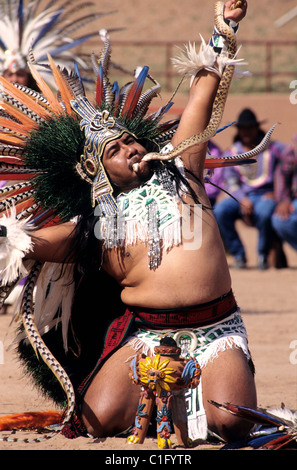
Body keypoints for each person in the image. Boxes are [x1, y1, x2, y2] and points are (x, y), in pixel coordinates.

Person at [0, 1, 257, 445]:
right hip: (147, 336)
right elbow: (25, 241)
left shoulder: (184, 169)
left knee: (233, 422)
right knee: (95, 422)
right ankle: (170, 408)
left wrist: (224, 26)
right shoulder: (89, 227)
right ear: (95, 170)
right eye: (116, 149)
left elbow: (202, 94)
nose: (132, 147)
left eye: (130, 138)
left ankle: (183, 404)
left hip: (217, 330)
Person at [213, 108, 285, 269]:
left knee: (265, 213)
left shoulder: (274, 149)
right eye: (243, 129)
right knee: (220, 211)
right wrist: (242, 199)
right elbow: (230, 182)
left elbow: (285, 172)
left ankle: (263, 255)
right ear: (238, 131)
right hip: (241, 196)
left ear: (257, 128)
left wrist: (277, 194)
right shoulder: (231, 153)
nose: (246, 132)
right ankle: (238, 254)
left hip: (266, 196)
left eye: (250, 128)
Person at [272, 135, 297, 251]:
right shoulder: (293, 150)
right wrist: (284, 200)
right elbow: (281, 175)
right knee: (280, 219)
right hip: (294, 200)